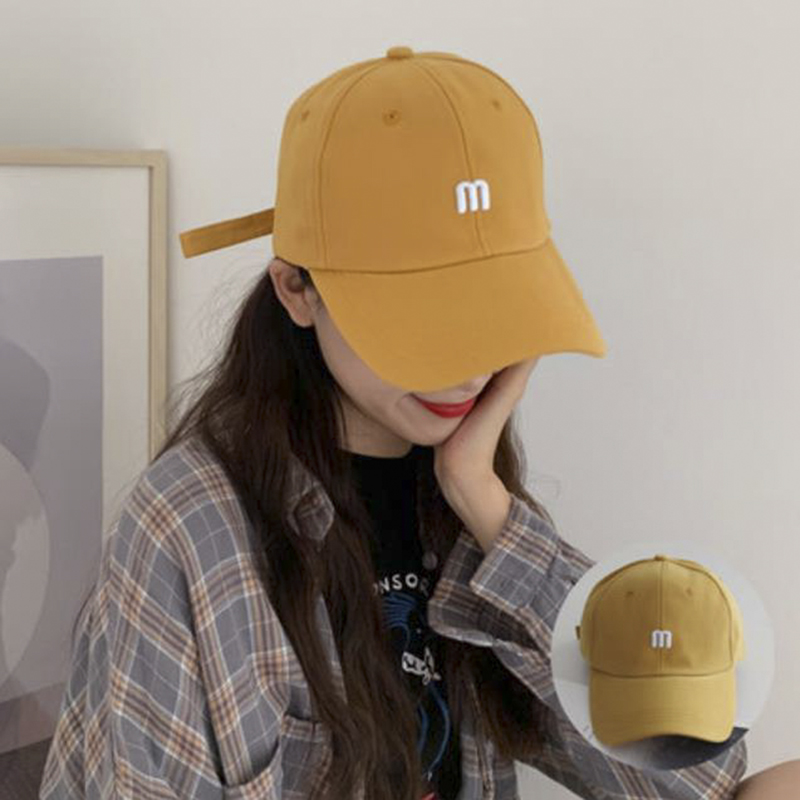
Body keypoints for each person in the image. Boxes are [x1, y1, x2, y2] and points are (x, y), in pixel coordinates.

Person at [40, 46, 749, 800]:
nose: (468, 368)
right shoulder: (192, 533)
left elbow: (697, 780)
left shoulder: (464, 508)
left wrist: (487, 503)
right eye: (424, 321)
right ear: (296, 291)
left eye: (496, 308)